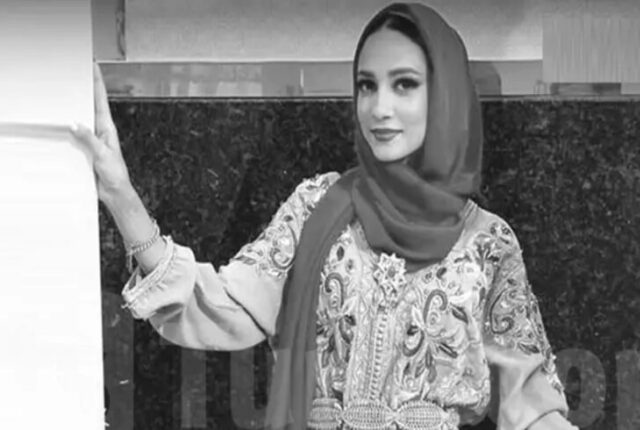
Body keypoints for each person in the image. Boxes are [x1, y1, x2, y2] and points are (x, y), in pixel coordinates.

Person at [73, 3, 578, 430]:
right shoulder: (318, 206)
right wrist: (121, 195)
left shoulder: (486, 242)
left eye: (404, 85)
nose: (379, 107)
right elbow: (224, 310)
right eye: (367, 85)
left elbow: (531, 409)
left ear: (444, 94)